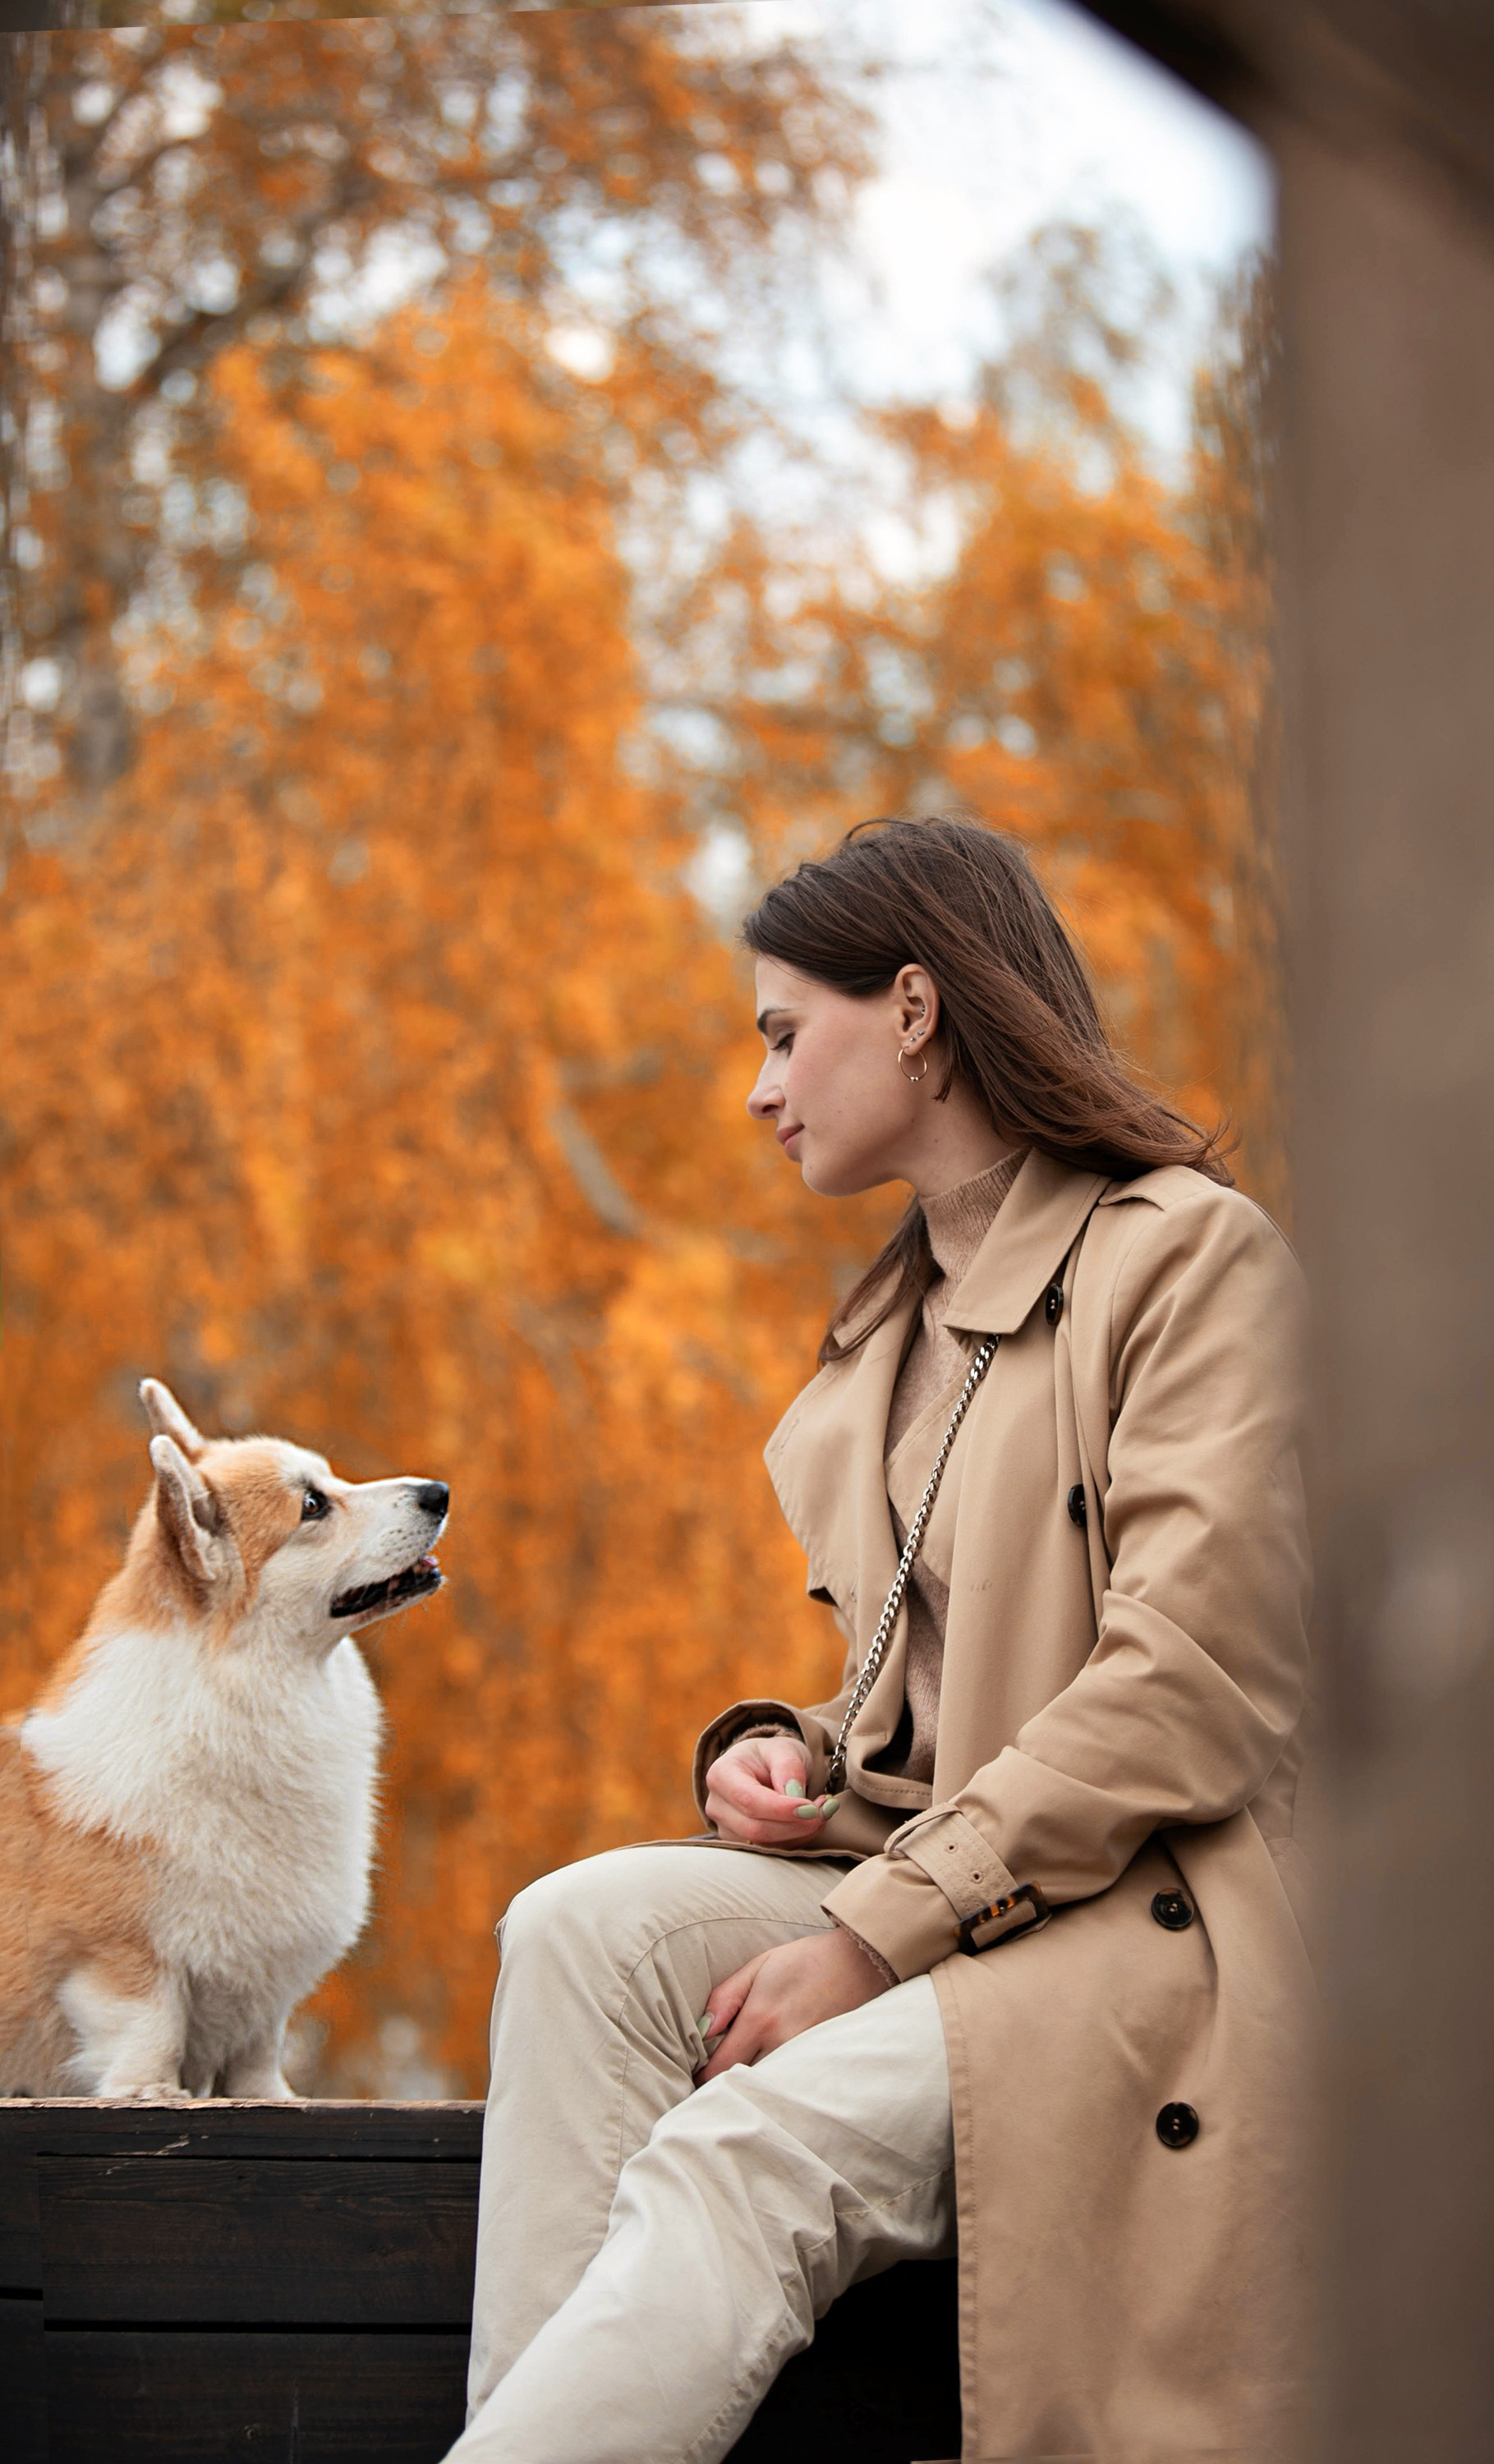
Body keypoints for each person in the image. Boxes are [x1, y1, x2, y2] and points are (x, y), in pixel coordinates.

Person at [445, 813, 1313, 2464]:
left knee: (743, 2151)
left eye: (785, 1034)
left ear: (914, 1008)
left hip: (1144, 1931)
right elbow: (933, 1705)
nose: (760, 1090)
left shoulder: (1189, 1259)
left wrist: (870, 1934)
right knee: (578, 1932)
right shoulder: (895, 1332)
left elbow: (1190, 1687)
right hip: (958, 1891)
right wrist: (792, 1753)